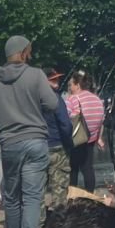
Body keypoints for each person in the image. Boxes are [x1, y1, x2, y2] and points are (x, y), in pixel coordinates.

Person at [0, 35, 60, 228]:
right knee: (32, 196)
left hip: (8, 144)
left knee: (12, 195)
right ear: (24, 52)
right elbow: (53, 104)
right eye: (30, 51)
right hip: (35, 140)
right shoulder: (36, 75)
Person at [64, 70, 106, 191]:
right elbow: (101, 120)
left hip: (76, 140)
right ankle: (90, 198)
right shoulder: (97, 99)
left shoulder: (72, 99)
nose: (70, 87)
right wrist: (98, 138)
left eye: (71, 85)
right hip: (90, 140)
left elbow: (67, 120)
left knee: (73, 170)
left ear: (77, 85)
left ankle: (72, 198)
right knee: (88, 169)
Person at [43, 68, 75, 216]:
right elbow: (65, 124)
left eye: (57, 78)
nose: (57, 81)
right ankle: (59, 221)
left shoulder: (34, 99)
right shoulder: (55, 98)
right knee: (60, 187)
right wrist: (68, 141)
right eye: (53, 79)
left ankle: (37, 222)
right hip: (57, 146)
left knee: (38, 189)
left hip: (39, 147)